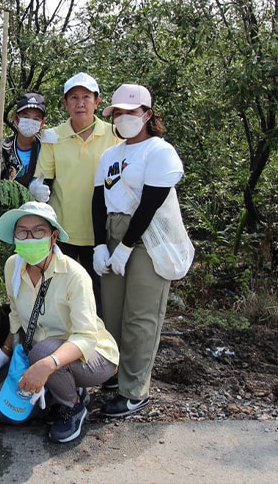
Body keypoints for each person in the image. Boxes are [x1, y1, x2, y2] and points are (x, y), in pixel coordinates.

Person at [0, 201, 119, 443]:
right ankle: (61, 389)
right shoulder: (13, 266)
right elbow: (15, 315)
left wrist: (47, 365)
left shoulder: (74, 275)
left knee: (43, 352)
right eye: (22, 231)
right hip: (41, 354)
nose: (29, 237)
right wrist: (3, 352)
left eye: (38, 231)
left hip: (93, 356)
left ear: (53, 237)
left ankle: (73, 407)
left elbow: (86, 336)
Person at [92, 84, 184, 417]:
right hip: (114, 234)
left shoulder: (159, 151)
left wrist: (128, 246)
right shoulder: (110, 155)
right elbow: (97, 201)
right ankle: (115, 375)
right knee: (112, 314)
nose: (124, 118)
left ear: (146, 114)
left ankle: (135, 390)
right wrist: (102, 244)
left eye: (131, 113)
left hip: (147, 238)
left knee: (140, 317)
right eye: (118, 113)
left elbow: (150, 204)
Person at [30, 73, 121, 313]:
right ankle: (61, 347)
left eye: (86, 97)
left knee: (100, 297)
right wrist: (37, 189)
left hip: (102, 232)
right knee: (60, 293)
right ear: (65, 103)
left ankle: (99, 347)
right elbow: (44, 178)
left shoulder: (115, 135)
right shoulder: (53, 136)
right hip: (64, 231)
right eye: (73, 98)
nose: (80, 104)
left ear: (97, 101)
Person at [0, 92, 47, 186]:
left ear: (42, 122)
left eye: (36, 119)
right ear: (16, 118)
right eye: (26, 117)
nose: (30, 122)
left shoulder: (46, 148)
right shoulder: (4, 148)